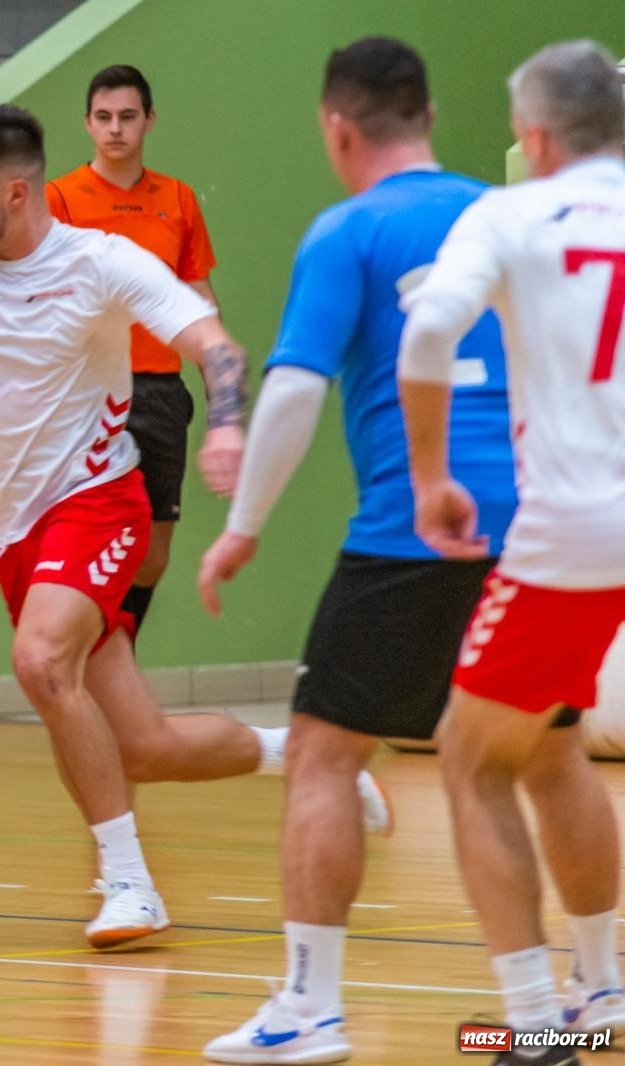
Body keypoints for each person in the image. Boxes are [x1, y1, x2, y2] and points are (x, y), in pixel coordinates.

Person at [0, 104, 387, 949]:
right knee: (143, 745)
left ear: (14, 194)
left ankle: (129, 882)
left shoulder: (99, 264)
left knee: (38, 660)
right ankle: (311, 755)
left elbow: (220, 350)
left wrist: (232, 422)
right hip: (10, 532)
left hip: (98, 498)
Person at [196, 37, 524, 1064]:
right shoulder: (503, 217)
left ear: (338, 128)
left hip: (413, 529)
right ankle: (570, 998)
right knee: (543, 761)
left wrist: (242, 526)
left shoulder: (348, 229)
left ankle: (308, 1008)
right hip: (536, 528)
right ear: (425, 114)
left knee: (325, 754)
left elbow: (292, 390)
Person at [398, 40, 625, 1066]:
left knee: (468, 754)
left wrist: (431, 475)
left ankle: (534, 1026)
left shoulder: (506, 211)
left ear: (533, 137)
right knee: (546, 740)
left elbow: (427, 333)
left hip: (576, 530)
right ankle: (601, 989)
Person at [47, 64, 219, 634]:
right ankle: (91, 665)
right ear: (87, 123)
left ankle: (120, 653)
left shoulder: (177, 198)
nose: (115, 129)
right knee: (92, 539)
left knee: (150, 554)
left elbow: (199, 299)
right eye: (103, 117)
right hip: (90, 395)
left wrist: (224, 403)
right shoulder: (59, 199)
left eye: (127, 116)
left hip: (162, 393)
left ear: (149, 120)